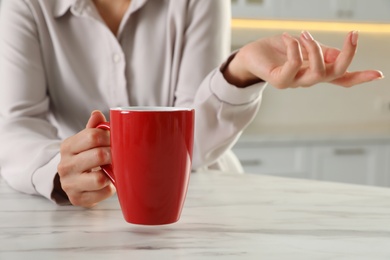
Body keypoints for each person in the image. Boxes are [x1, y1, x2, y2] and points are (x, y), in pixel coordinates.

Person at [0, 0, 383, 208]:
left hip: (203, 200)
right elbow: (17, 123)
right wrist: (58, 170)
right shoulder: (25, 5)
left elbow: (190, 144)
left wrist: (240, 70)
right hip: (88, 205)